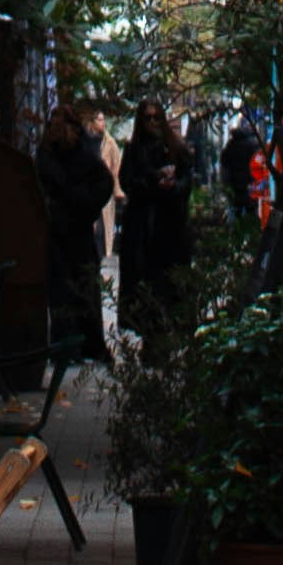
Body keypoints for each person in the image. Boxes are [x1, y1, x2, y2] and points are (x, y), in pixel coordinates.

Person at [37, 102, 115, 368]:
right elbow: (102, 183)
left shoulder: (58, 153)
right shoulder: (68, 152)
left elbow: (102, 183)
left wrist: (83, 204)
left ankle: (74, 345)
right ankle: (78, 345)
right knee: (75, 288)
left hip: (68, 229)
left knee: (72, 289)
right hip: (69, 230)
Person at [118, 101, 193, 313]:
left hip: (170, 228)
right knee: (143, 295)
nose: (152, 122)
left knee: (170, 291)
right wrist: (153, 181)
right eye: (147, 118)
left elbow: (186, 183)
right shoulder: (133, 151)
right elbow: (127, 182)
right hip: (142, 229)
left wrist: (172, 187)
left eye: (156, 117)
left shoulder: (176, 148)